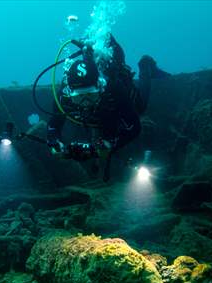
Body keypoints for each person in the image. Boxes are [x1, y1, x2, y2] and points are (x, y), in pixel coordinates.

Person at [46, 34, 169, 180]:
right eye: (79, 97)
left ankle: (145, 65)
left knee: (140, 107)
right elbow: (53, 126)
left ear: (99, 86)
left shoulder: (113, 88)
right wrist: (55, 143)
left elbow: (134, 127)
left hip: (113, 68)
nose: (86, 102)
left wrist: (111, 145)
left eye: (90, 95)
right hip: (100, 104)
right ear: (70, 92)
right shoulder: (64, 96)